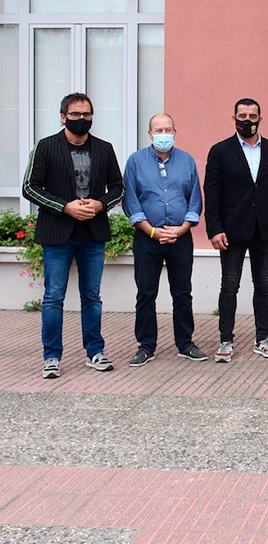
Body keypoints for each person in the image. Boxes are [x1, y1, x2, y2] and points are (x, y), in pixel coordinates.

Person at [22, 92, 124, 378]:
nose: (82, 119)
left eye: (87, 114)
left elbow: (119, 187)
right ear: (63, 116)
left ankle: (95, 351)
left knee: (92, 296)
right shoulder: (46, 147)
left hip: (93, 232)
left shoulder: (104, 149)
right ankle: (51, 356)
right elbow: (30, 187)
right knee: (54, 296)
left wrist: (101, 203)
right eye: (76, 114)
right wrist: (65, 207)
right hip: (58, 234)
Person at [204, 98, 268, 362]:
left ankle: (263, 338)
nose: (247, 121)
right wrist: (214, 229)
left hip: (264, 229)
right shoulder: (220, 151)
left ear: (260, 119)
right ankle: (226, 341)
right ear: (234, 119)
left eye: (253, 116)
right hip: (231, 231)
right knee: (229, 286)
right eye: (242, 116)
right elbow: (212, 192)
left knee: (263, 285)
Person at [122, 113, 206, 366]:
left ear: (174, 131)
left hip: (181, 238)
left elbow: (195, 199)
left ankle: (185, 343)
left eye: (167, 129)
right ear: (150, 134)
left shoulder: (187, 160)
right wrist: (152, 231)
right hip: (147, 238)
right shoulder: (136, 161)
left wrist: (180, 230)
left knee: (182, 292)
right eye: (158, 130)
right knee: (146, 293)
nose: (163, 134)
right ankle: (146, 346)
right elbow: (131, 200)